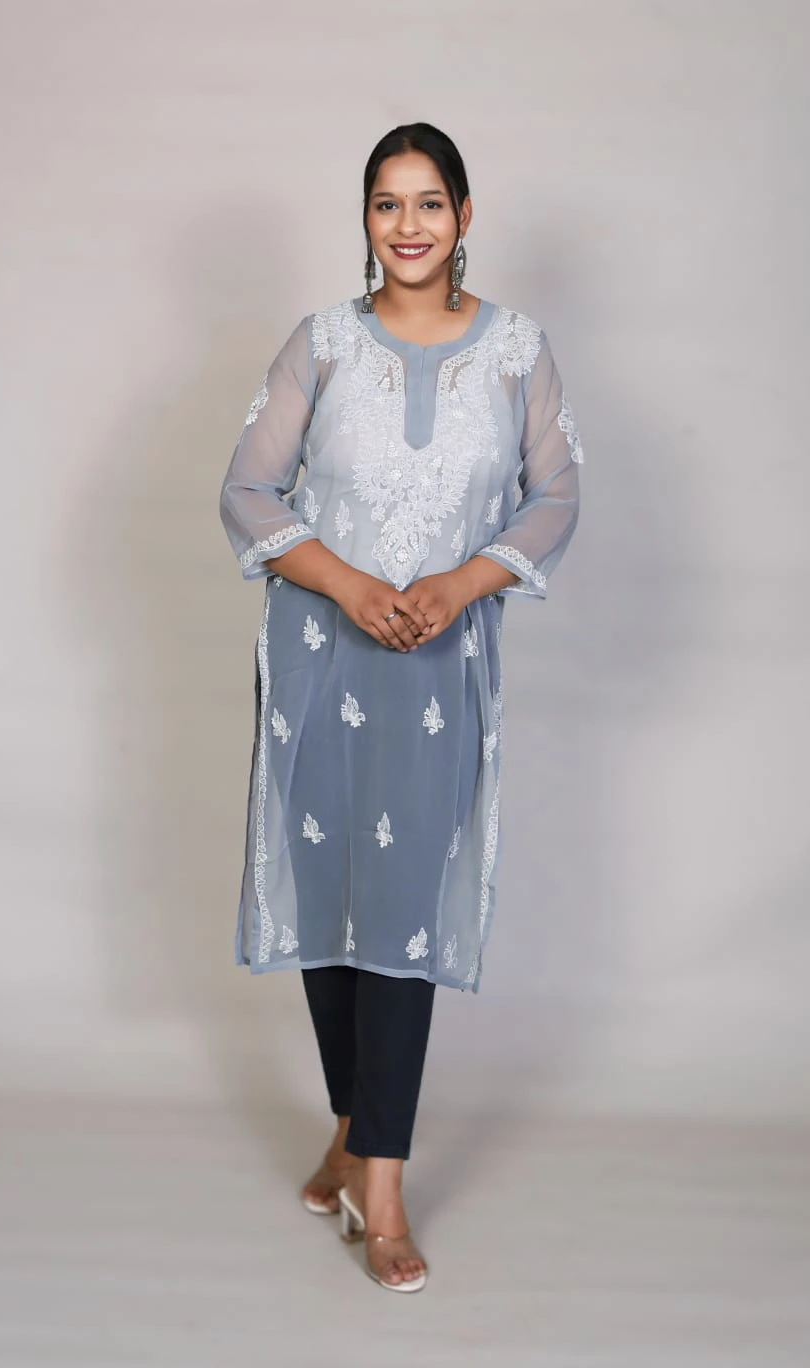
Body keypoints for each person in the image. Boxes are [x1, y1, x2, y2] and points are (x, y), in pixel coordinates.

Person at [219, 122, 583, 1293]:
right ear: (367, 218)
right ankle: (353, 1131)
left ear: (465, 217)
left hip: (437, 669)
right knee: (329, 903)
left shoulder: (517, 351)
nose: (409, 225)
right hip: (319, 661)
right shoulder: (322, 344)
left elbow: (555, 494)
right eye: (388, 203)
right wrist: (351, 586)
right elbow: (247, 489)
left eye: (431, 202)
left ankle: (380, 1184)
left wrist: (461, 584)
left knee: (403, 920)